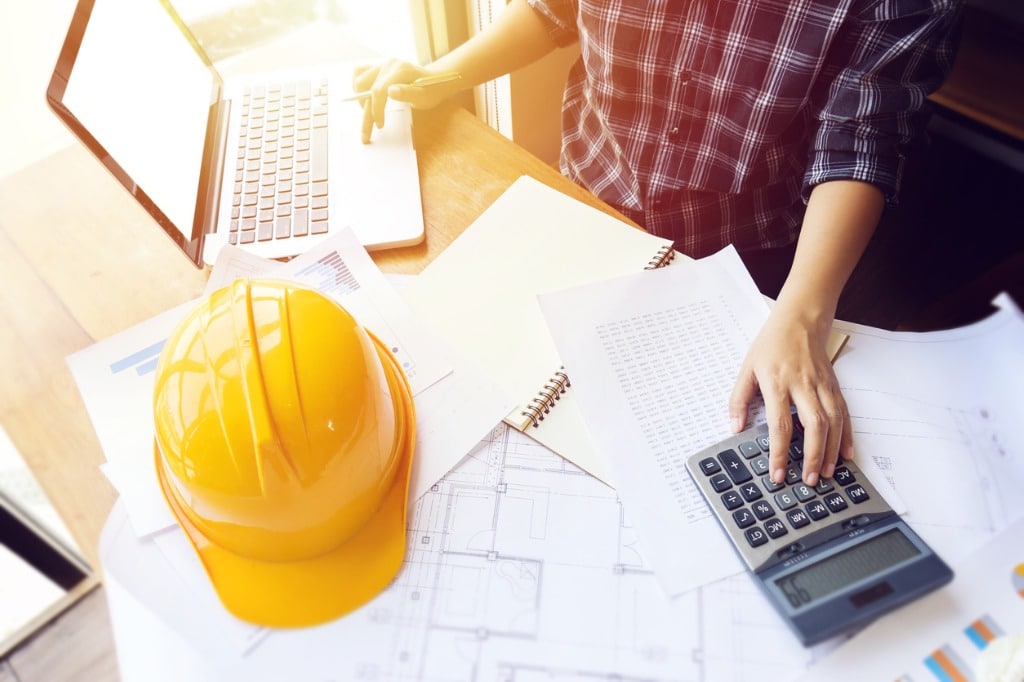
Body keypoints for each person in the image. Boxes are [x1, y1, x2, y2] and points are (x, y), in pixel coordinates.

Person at [352, 0, 963, 488]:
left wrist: (801, 315)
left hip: (748, 256)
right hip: (585, 206)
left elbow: (860, 139)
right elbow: (553, 10)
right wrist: (442, 76)